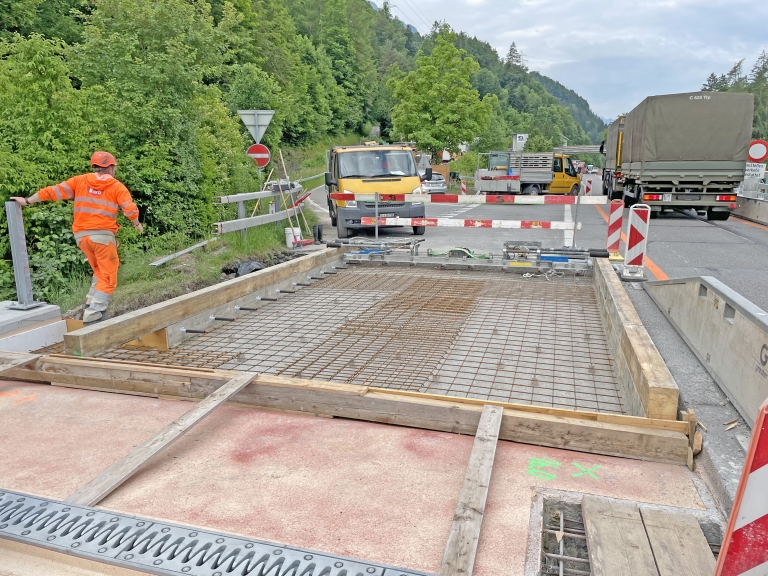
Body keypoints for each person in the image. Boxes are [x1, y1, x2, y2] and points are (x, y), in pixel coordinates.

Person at [11, 151, 143, 324]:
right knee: (109, 275)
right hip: (102, 236)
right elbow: (129, 209)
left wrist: (27, 201)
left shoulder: (80, 180)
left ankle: (90, 302)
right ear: (110, 168)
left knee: (99, 270)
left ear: (95, 166)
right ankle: (95, 313)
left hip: (82, 237)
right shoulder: (116, 186)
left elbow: (53, 191)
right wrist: (136, 223)